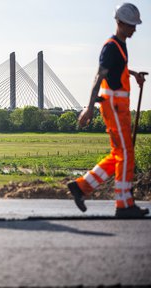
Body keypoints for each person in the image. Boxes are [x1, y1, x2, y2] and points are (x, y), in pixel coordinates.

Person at [68, 3, 148, 218]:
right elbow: (99, 75)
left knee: (119, 154)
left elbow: (116, 68)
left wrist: (133, 74)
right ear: (120, 23)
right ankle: (123, 204)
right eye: (131, 25)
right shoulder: (111, 46)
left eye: (135, 25)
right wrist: (89, 107)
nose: (134, 29)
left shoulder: (119, 46)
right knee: (126, 154)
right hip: (113, 108)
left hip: (118, 108)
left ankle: (81, 186)